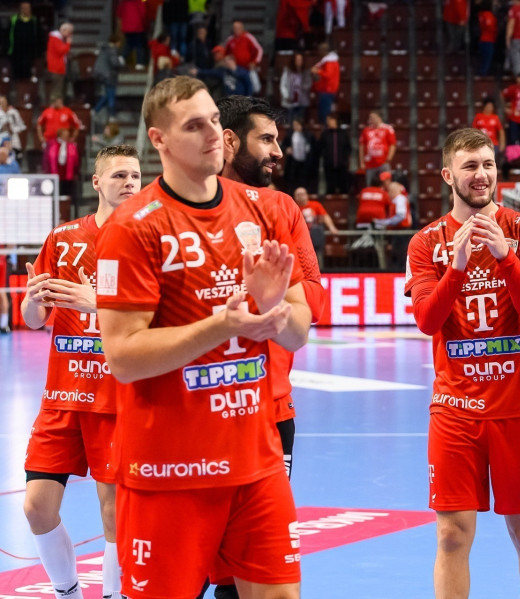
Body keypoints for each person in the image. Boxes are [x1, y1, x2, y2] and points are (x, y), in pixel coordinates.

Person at [94, 76, 310, 599]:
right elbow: (123, 357)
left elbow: (298, 332)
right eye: (194, 126)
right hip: (169, 470)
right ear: (159, 139)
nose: (214, 134)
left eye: (214, 120)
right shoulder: (132, 227)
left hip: (255, 462)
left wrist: (271, 307)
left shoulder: (266, 209)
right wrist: (223, 325)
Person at [405, 127, 520, 599]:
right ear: (447, 175)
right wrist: (456, 267)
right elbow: (427, 321)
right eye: (470, 166)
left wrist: (505, 258)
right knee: (451, 534)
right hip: (455, 408)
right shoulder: (424, 243)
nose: (481, 174)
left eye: (488, 164)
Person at [214, 93, 324, 599]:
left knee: (255, 570)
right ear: (230, 141)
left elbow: (312, 298)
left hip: (270, 409)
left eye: (278, 140)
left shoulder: (281, 209)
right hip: (192, 413)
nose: (278, 151)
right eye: (266, 139)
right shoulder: (173, 212)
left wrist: (271, 300)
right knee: (197, 565)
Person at [21, 144, 142, 599]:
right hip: (63, 396)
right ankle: (67, 592)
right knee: (36, 508)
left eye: (135, 176)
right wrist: (32, 301)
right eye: (119, 175)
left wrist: (101, 303)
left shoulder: (148, 240)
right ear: (96, 182)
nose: (129, 183)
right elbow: (35, 319)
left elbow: (161, 317)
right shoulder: (64, 237)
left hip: (116, 397)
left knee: (113, 512)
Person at [294, 186, 338, 269]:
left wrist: (331, 227)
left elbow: (325, 216)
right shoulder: (293, 207)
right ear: (295, 197)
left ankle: (320, 270)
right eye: (298, 195)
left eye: (302, 194)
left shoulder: (315, 205)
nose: (300, 196)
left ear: (307, 195)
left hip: (314, 237)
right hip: (300, 238)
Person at [359, 111, 397, 186]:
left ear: (379, 118)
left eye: (373, 117)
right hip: (370, 164)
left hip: (383, 162)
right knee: (369, 184)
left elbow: (392, 145)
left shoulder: (387, 129)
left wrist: (388, 159)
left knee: (386, 184)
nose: (371, 119)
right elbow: (361, 146)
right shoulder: (366, 130)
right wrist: (362, 162)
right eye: (370, 118)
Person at [93, 34, 124, 122]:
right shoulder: (112, 50)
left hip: (102, 75)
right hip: (109, 76)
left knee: (107, 95)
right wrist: (121, 62)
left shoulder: (104, 49)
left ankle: (96, 109)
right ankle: (111, 116)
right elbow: (115, 63)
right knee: (111, 96)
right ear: (117, 42)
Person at [319, 112, 352, 194]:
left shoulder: (343, 133)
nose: (328, 122)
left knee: (343, 186)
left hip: (342, 164)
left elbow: (348, 148)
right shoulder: (325, 134)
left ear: (335, 120)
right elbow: (320, 147)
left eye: (329, 120)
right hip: (329, 165)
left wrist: (345, 159)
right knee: (330, 187)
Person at [8, 2, 41, 82]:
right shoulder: (14, 19)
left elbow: (39, 35)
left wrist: (39, 50)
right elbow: (8, 34)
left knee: (28, 69)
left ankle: (27, 85)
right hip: (16, 49)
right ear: (20, 9)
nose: (25, 10)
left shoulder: (34, 20)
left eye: (27, 8)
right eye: (23, 8)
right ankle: (17, 85)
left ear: (30, 9)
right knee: (16, 69)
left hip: (30, 50)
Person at [282, 116, 315, 193]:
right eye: (294, 125)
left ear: (302, 125)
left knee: (304, 183)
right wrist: (286, 149)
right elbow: (283, 146)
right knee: (292, 183)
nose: (295, 127)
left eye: (297, 125)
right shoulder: (290, 135)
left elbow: (314, 149)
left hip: (305, 164)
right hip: (293, 163)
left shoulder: (308, 135)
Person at [310, 42, 340, 123]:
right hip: (326, 90)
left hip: (327, 90)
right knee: (323, 112)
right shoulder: (328, 61)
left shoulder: (330, 62)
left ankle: (325, 127)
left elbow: (328, 75)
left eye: (320, 50)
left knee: (324, 113)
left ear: (324, 51)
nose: (319, 52)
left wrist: (317, 71)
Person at [279, 52, 312, 125]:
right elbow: (283, 84)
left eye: (300, 60)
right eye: (297, 60)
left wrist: (301, 87)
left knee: (300, 123)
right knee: (289, 123)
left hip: (302, 101)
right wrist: (286, 96)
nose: (299, 62)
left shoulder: (305, 72)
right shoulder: (287, 71)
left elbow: (308, 84)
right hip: (290, 100)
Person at [46, 22, 73, 101]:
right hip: (56, 67)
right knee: (57, 90)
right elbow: (60, 50)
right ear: (64, 30)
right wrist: (68, 43)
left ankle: (58, 104)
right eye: (69, 32)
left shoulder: (59, 39)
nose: (70, 35)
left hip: (59, 67)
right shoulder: (55, 38)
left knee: (60, 89)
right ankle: (55, 106)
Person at [117, 0, 147, 69]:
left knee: (129, 43)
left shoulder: (123, 3)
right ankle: (139, 63)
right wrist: (145, 26)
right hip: (138, 26)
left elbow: (119, 14)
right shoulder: (139, 2)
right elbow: (143, 14)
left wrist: (120, 27)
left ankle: (122, 57)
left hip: (127, 27)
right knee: (139, 45)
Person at [477, 1, 499, 76]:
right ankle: (484, 74)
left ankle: (483, 72)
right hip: (488, 40)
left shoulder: (480, 14)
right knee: (487, 59)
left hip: (482, 39)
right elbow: (489, 26)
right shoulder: (487, 15)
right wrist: (496, 29)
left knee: (484, 59)